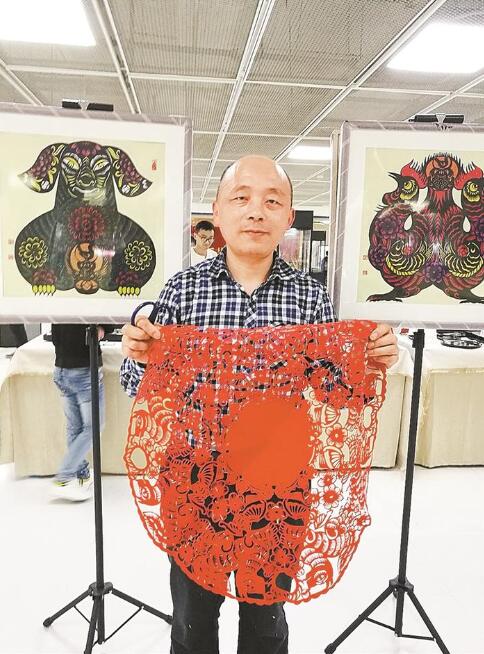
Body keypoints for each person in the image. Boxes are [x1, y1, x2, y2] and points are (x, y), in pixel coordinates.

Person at [120, 155, 398, 654]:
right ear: (217, 212)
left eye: (272, 201)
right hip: (194, 478)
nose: (256, 211)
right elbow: (138, 385)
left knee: (266, 623)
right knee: (192, 621)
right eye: (241, 198)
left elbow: (334, 391)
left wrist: (372, 360)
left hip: (278, 483)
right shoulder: (182, 290)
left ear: (288, 216)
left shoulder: (309, 297)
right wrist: (139, 354)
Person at [51, 323, 114, 502]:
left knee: (75, 427)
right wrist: (104, 328)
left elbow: (55, 337)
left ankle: (81, 474)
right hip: (84, 369)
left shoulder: (61, 308)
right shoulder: (87, 309)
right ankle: (63, 477)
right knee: (94, 426)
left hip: (61, 368)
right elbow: (107, 323)